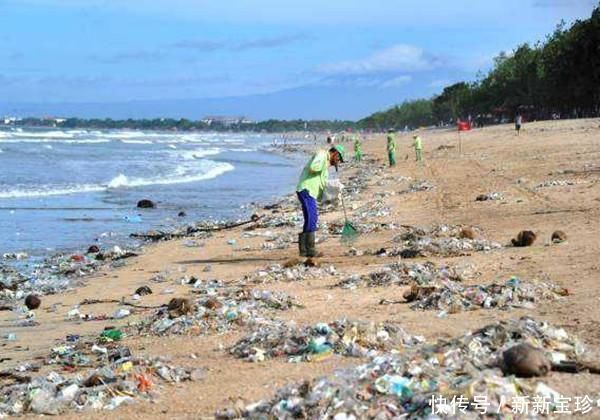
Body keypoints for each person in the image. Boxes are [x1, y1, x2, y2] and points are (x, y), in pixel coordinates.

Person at [296, 145, 346, 257]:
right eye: (338, 159)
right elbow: (313, 167)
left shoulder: (326, 164)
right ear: (335, 153)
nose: (336, 162)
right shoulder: (322, 154)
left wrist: (335, 189)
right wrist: (326, 164)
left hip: (311, 193)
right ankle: (310, 249)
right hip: (306, 190)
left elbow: (322, 184)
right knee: (312, 218)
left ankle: (304, 251)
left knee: (310, 219)